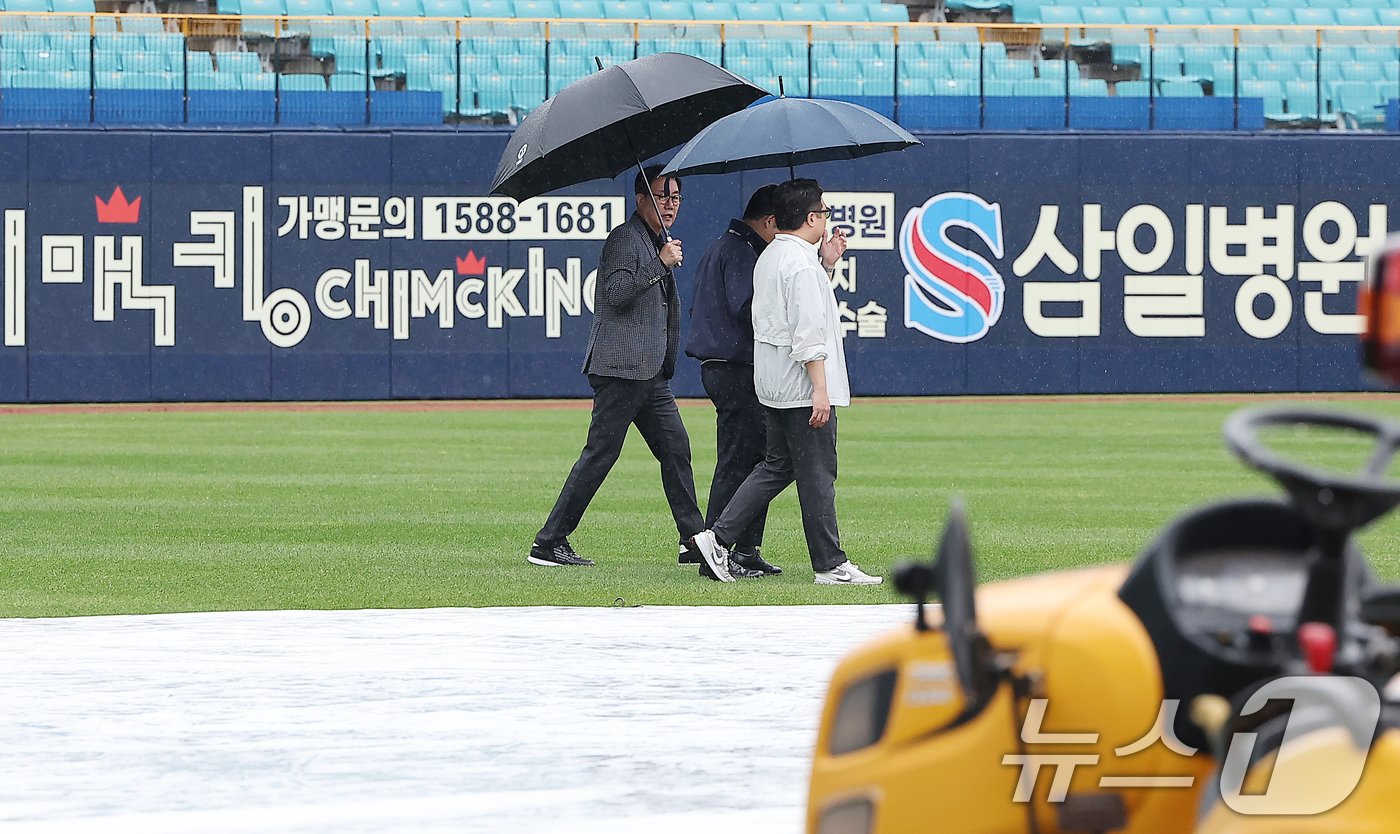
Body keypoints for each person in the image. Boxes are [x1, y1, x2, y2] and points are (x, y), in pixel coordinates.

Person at [528, 165, 760, 582]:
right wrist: (660, 262)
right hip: (621, 370)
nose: (670, 203)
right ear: (641, 199)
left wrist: (660, 257)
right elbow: (615, 295)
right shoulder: (624, 238)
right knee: (601, 455)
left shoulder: (655, 241)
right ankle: (549, 542)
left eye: (676, 196)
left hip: (648, 375)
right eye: (662, 195)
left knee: (676, 448)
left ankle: (695, 542)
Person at [689, 179, 882, 585]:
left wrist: (825, 262)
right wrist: (820, 389)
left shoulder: (773, 255)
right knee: (817, 474)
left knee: (776, 466)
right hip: (799, 385)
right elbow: (808, 331)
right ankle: (829, 563)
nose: (827, 219)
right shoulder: (798, 263)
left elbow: (789, 314)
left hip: (773, 383)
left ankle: (718, 537)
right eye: (824, 213)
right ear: (811, 218)